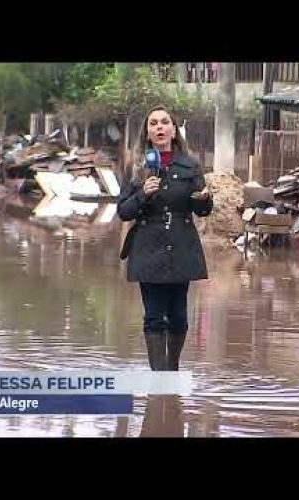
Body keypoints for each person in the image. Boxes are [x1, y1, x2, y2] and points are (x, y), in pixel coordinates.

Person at [117, 105, 213, 371]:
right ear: (147, 133)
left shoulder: (190, 164)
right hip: (148, 248)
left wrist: (205, 199)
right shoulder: (137, 167)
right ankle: (158, 378)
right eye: (153, 124)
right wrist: (142, 194)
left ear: (173, 130)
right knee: (153, 317)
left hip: (181, 246)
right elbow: (123, 211)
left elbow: (202, 210)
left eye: (164, 122)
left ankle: (172, 368)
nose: (159, 127)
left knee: (179, 316)